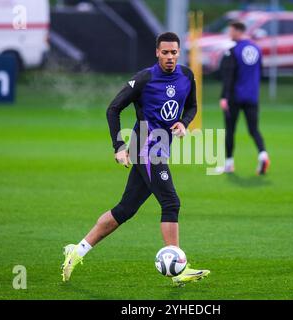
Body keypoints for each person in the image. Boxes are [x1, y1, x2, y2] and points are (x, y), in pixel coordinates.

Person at [61, 32, 210, 286]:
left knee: (125, 210)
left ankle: (77, 251)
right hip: (144, 149)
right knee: (171, 202)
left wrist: (184, 124)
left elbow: (192, 107)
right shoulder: (144, 79)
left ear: (179, 52)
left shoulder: (186, 76)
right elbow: (113, 108)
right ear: (157, 53)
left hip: (160, 149)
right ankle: (177, 270)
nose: (170, 57)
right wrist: (119, 146)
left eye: (174, 52)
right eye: (165, 53)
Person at [218, 21, 270, 175]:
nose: (229, 34)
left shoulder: (233, 51)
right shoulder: (257, 49)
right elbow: (260, 70)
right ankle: (263, 154)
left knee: (230, 130)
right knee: (253, 129)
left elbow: (229, 76)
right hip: (252, 96)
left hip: (235, 96)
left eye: (231, 31)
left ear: (238, 31)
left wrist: (224, 97)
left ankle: (228, 163)